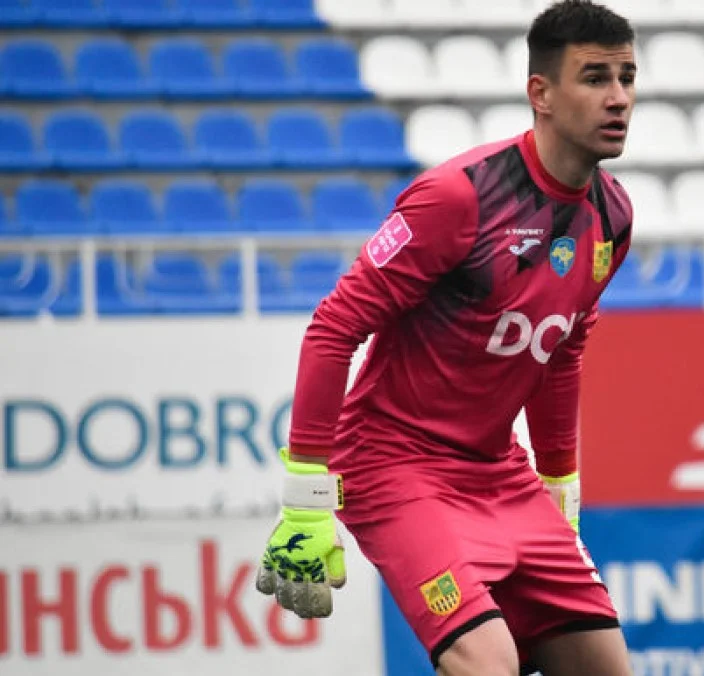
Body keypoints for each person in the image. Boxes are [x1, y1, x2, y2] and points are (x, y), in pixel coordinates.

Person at [253, 2, 638, 674]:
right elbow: (334, 327)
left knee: (603, 665)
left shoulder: (613, 217)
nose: (618, 98)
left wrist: (560, 485)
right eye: (595, 77)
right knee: (488, 662)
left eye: (627, 78)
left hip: (498, 472)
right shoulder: (460, 197)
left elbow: (562, 352)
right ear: (541, 94)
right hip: (393, 465)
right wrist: (306, 496)